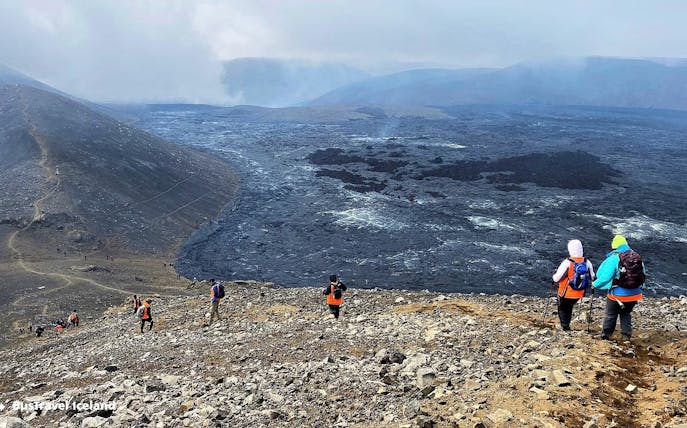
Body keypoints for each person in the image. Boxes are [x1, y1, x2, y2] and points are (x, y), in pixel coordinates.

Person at [593, 235, 645, 340]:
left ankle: (606, 335)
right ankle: (626, 335)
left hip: (617, 295)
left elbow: (605, 278)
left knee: (611, 314)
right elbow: (642, 274)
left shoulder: (614, 258)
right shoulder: (636, 257)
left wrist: (594, 284)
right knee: (625, 313)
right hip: (635, 294)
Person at [551, 240, 596, 331]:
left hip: (566, 292)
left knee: (563, 308)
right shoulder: (587, 262)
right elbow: (593, 276)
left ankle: (565, 326)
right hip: (580, 292)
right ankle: (566, 325)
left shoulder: (567, 262)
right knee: (569, 307)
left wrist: (553, 275)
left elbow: (556, 279)